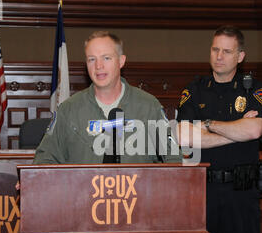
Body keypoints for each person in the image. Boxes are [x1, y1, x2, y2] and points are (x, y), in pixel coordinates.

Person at [176, 26, 262, 233]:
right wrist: (234, 129)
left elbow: (254, 129)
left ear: (240, 56)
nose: (219, 56)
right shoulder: (194, 90)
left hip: (242, 193)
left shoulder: (254, 89)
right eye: (215, 49)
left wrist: (204, 126)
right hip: (201, 193)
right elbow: (183, 136)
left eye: (227, 51)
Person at [33, 31, 181, 164]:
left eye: (106, 58)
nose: (98, 66)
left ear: (121, 61)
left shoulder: (148, 106)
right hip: (82, 194)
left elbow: (173, 157)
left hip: (137, 193)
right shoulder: (68, 109)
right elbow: (45, 158)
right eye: (92, 59)